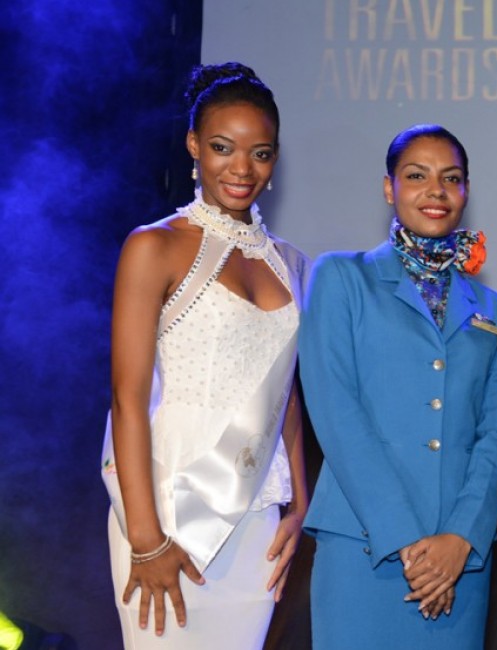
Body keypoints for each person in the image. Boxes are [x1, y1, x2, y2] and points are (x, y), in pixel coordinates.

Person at [102, 62, 308, 648]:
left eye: (261, 153)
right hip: (170, 505)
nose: (242, 169)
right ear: (193, 145)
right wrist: (146, 537)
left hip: (255, 514)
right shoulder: (155, 245)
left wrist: (298, 506)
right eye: (223, 147)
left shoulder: (290, 262)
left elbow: (285, 394)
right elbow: (127, 395)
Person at [299, 124, 497, 649]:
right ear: (389, 188)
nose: (435, 191)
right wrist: (409, 541)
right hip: (363, 545)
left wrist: (461, 538)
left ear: (466, 192)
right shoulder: (341, 277)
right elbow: (335, 411)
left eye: (451, 178)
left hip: (459, 562)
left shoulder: (496, 310)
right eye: (417, 176)